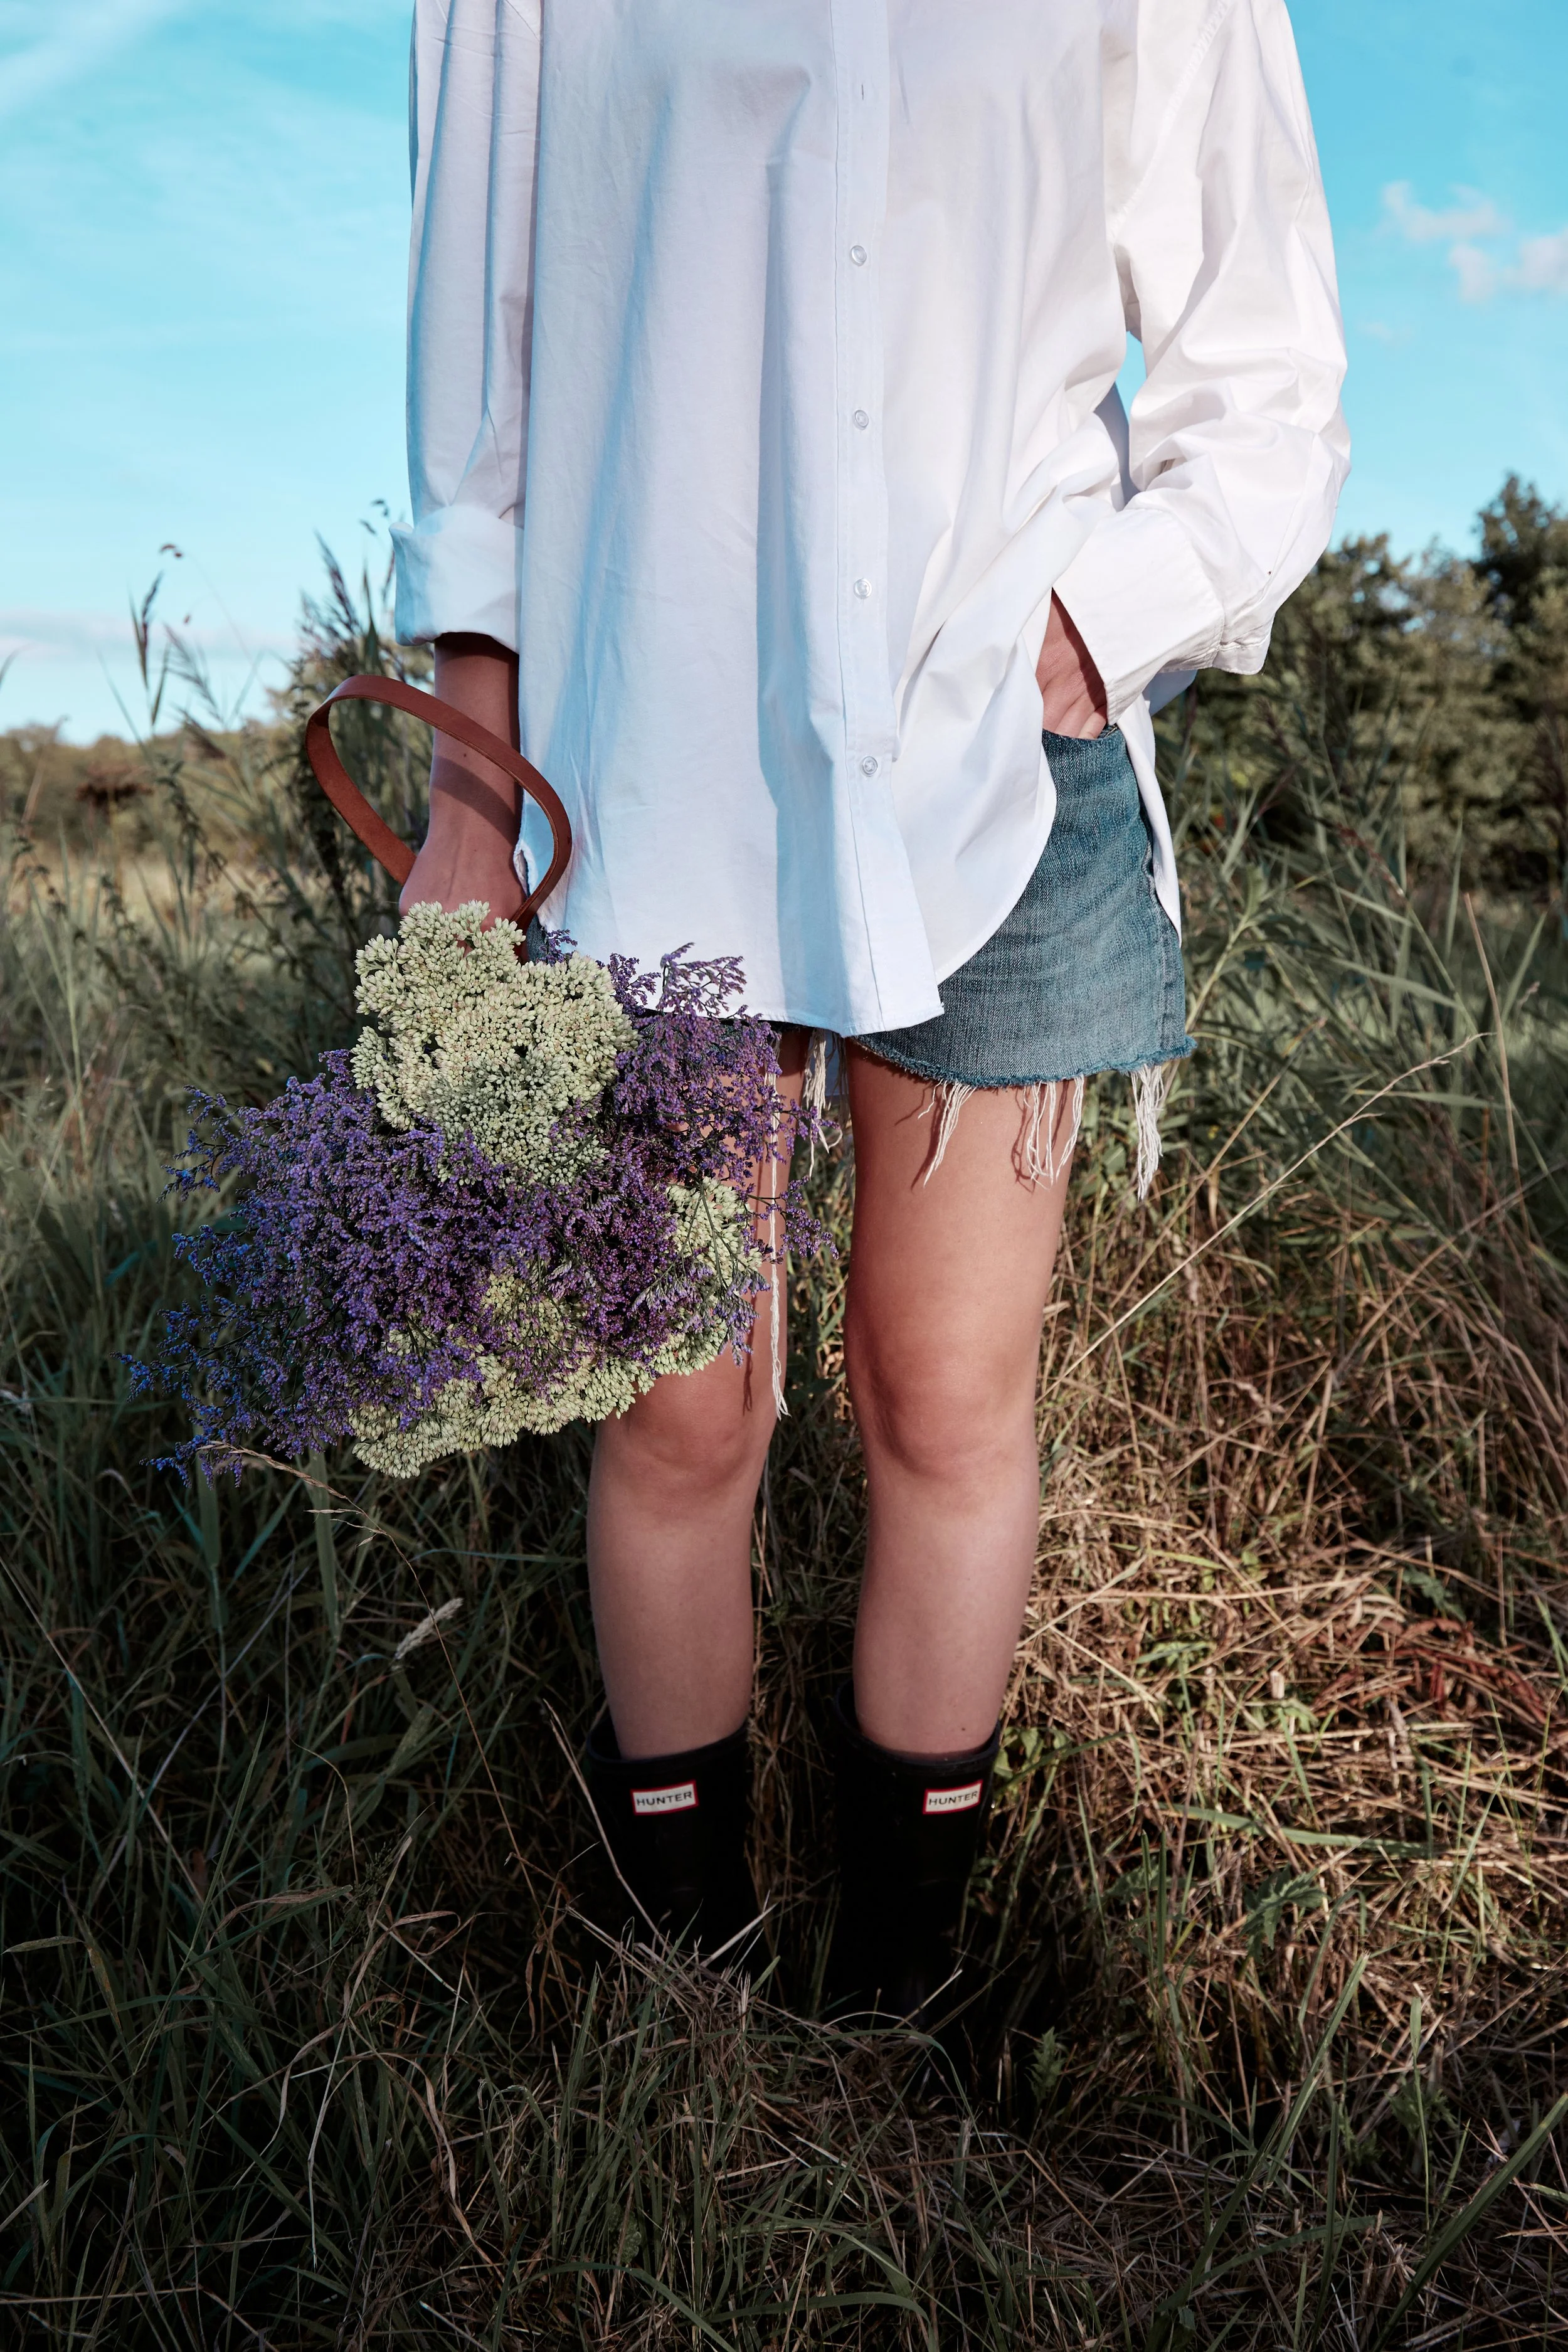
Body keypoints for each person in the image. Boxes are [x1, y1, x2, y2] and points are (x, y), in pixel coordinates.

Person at [390, 0, 1348, 2017]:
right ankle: (685, 1971)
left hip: (1001, 773)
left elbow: (1265, 371)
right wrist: (472, 779)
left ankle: (902, 1989)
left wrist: (1099, 626)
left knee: (942, 1396)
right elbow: (484, 352)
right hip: (646, 748)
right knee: (671, 1411)